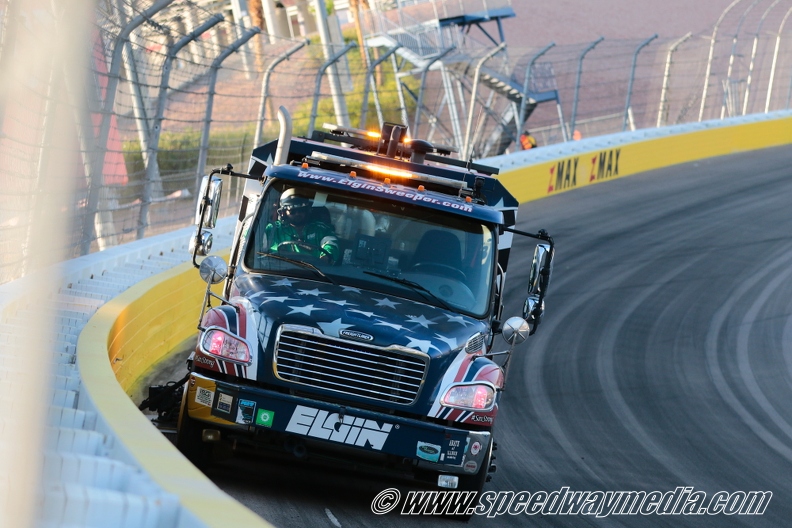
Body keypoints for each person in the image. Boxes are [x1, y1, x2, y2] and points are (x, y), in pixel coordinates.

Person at [266, 188, 339, 263]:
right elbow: (258, 249)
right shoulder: (273, 229)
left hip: (314, 272)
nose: (297, 214)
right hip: (278, 271)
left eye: (301, 210)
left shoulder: (321, 229)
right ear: (283, 213)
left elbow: (331, 244)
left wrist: (325, 257)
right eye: (292, 211)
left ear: (308, 210)